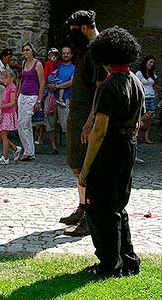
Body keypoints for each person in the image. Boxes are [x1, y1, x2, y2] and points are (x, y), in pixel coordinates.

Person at [79, 26, 143, 278]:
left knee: (102, 209)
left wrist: (85, 168)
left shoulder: (109, 87)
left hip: (109, 149)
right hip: (129, 146)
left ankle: (108, 265)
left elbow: (99, 131)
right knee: (119, 206)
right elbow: (138, 121)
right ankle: (128, 260)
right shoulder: (135, 81)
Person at [59, 10, 107, 237]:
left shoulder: (98, 50)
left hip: (86, 116)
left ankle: (91, 215)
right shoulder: (87, 49)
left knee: (88, 168)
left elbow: (100, 88)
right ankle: (82, 207)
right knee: (76, 164)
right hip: (77, 114)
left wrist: (90, 122)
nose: (71, 36)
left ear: (85, 28)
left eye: (74, 31)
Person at [17, 42, 45, 161]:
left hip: (32, 96)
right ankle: (30, 151)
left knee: (23, 123)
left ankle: (28, 151)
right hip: (22, 95)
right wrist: (18, 92)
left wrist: (39, 100)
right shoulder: (24, 63)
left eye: (28, 50)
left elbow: (42, 82)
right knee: (24, 124)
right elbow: (22, 79)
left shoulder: (37, 64)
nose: (26, 52)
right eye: (24, 50)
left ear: (32, 51)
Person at [45, 46, 75, 154]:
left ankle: (69, 149)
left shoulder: (73, 68)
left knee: (66, 125)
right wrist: (49, 85)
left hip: (65, 99)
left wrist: (57, 86)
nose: (66, 55)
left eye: (68, 53)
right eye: (63, 53)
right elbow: (47, 77)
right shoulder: (56, 66)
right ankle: (54, 147)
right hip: (52, 97)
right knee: (50, 123)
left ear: (71, 55)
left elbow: (71, 82)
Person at [0, 69, 22, 164]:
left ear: (12, 78)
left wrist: (1, 106)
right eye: (3, 78)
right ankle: (15, 148)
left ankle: (5, 157)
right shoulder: (7, 87)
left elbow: (12, 103)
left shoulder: (12, 88)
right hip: (4, 114)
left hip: (8, 115)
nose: (4, 80)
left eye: (6, 78)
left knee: (4, 136)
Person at [0, 48, 15, 140]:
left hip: (5, 91)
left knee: (3, 111)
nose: (9, 60)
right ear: (4, 57)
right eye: (8, 58)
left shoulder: (7, 65)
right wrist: (4, 83)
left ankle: (2, 132)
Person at [135, 55, 158, 144]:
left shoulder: (153, 74)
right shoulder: (139, 73)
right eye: (150, 62)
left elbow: (154, 85)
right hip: (143, 97)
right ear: (146, 62)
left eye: (153, 63)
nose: (151, 64)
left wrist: (156, 93)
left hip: (151, 97)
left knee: (150, 118)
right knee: (142, 117)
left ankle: (146, 138)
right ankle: (138, 136)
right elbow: (137, 85)